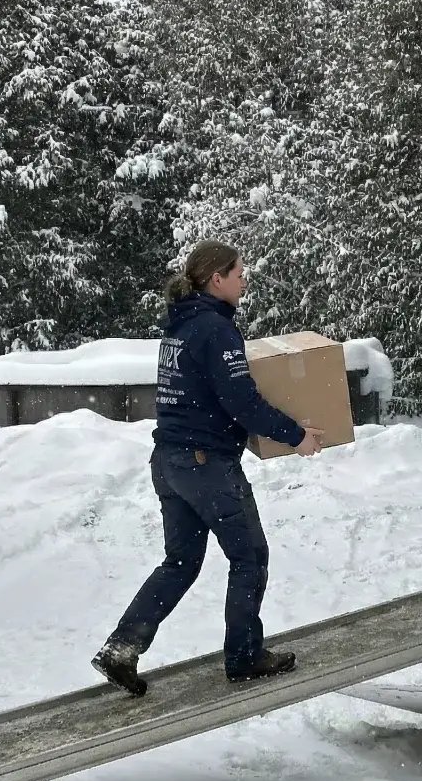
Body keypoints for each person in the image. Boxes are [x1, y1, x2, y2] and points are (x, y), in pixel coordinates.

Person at [92, 240, 325, 696]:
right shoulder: (216, 332)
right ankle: (244, 657)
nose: (244, 279)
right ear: (216, 279)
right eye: (239, 272)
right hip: (205, 466)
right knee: (250, 556)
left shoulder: (178, 328)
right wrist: (297, 436)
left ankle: (122, 647)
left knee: (181, 562)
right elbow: (241, 401)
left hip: (169, 463)